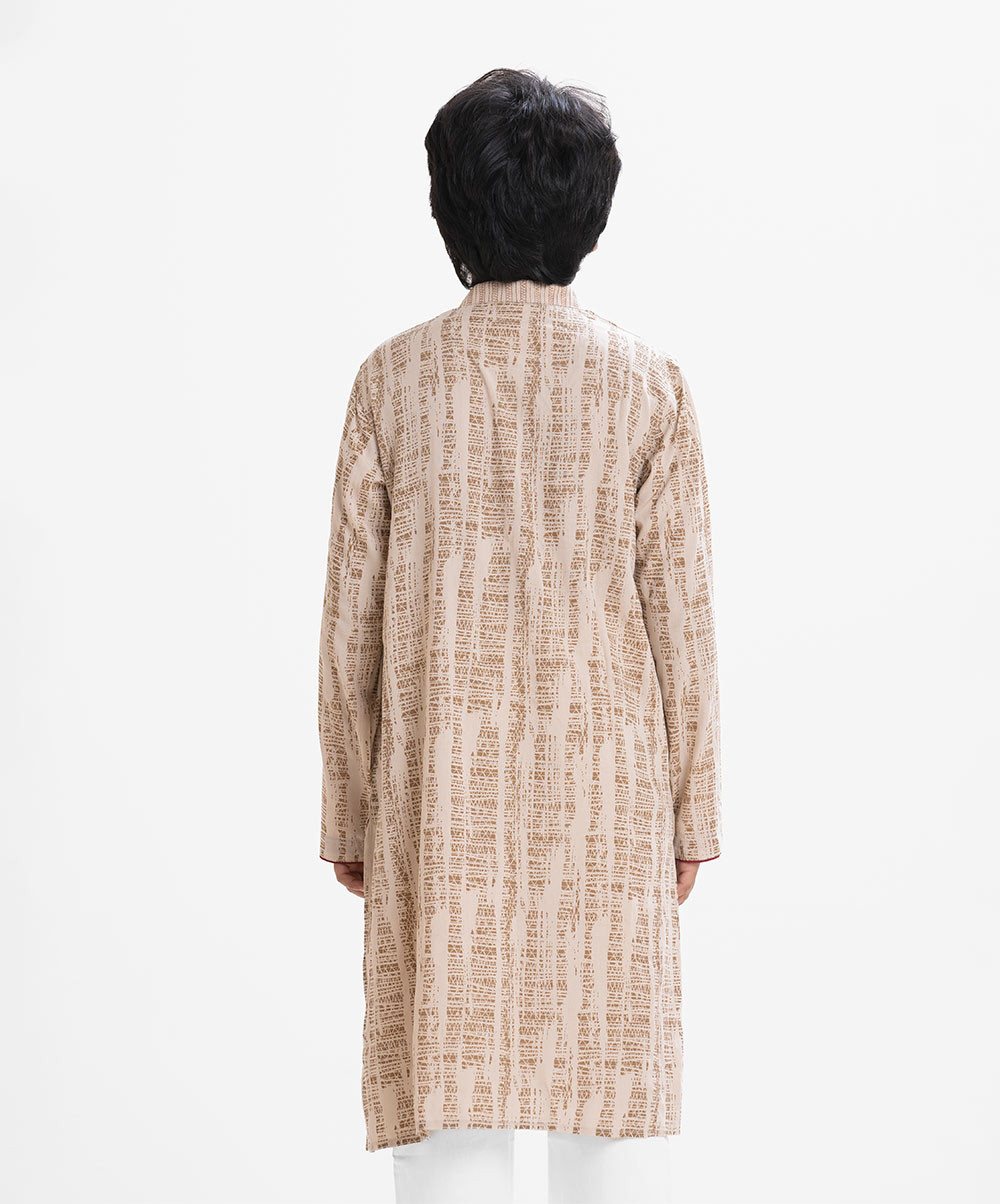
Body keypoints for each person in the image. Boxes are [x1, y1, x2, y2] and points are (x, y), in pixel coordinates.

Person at [318, 67, 723, 1204]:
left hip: (438, 795)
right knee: (611, 1120)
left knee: (448, 1116)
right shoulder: (649, 387)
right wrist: (692, 811)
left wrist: (349, 806)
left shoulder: (392, 382)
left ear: (448, 205)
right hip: (605, 805)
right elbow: (682, 620)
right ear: (590, 212)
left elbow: (350, 623)